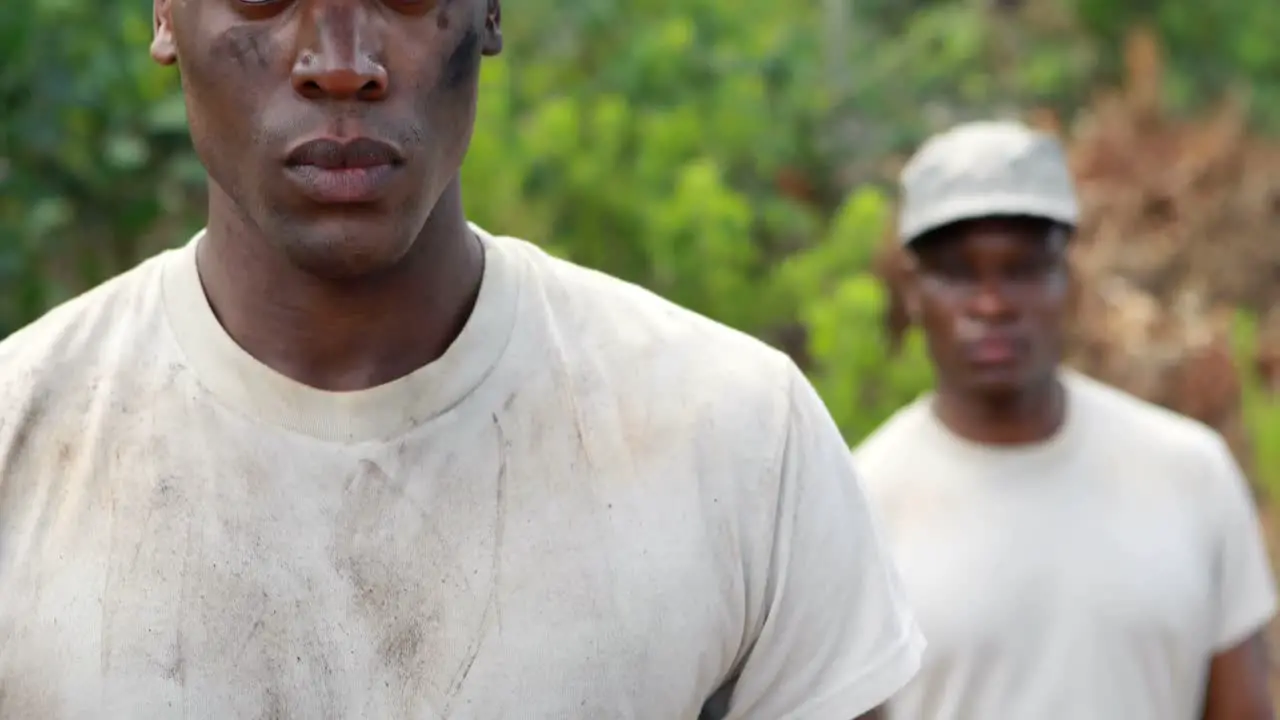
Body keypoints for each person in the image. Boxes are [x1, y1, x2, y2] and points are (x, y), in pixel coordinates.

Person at [0, 0, 924, 717]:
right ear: (167, 14)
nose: (340, 63)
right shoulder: (21, 430)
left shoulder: (738, 437)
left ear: (489, 12)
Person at [854, 119, 1277, 719]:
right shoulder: (862, 505)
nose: (993, 303)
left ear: (1068, 281)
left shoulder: (1189, 474)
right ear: (914, 293)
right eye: (957, 272)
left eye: (1023, 267)